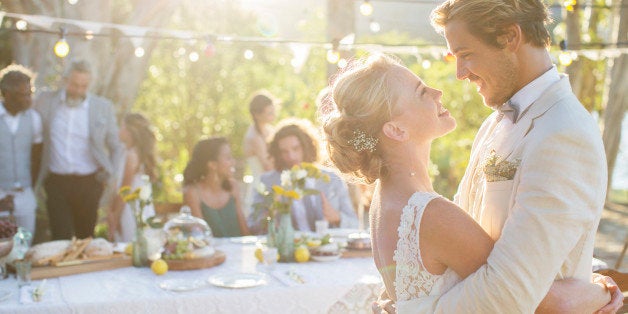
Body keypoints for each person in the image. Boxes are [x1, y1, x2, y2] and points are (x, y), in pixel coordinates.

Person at [324, 54, 619, 313]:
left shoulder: (386, 200)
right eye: (420, 91)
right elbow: (529, 297)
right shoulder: (430, 214)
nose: (437, 91)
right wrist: (604, 290)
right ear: (396, 129)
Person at [35, 59, 123, 240]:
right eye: (74, 85)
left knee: (86, 238)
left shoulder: (102, 107)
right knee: (61, 238)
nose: (78, 90)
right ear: (65, 80)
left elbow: (116, 146)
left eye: (84, 86)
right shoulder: (45, 101)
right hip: (56, 181)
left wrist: (110, 175)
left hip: (89, 183)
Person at [248, 118, 359, 234]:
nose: (291, 156)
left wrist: (337, 217)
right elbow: (252, 225)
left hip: (326, 249)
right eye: (284, 151)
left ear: (307, 146)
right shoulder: (267, 182)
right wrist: (270, 214)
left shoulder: (331, 179)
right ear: (277, 153)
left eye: (296, 148)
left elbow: (355, 225)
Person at [0, 64, 42, 240]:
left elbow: (37, 157)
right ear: (7, 94)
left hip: (25, 194)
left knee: (25, 246)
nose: (28, 99)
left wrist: (29, 185)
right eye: (23, 95)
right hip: (1, 191)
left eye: (29, 93)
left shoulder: (34, 119)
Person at [183, 137, 250, 238]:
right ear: (212, 165)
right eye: (228, 158)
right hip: (212, 252)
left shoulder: (233, 187)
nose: (233, 162)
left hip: (237, 249)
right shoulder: (193, 193)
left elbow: (244, 231)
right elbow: (201, 237)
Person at [107, 113, 157, 242]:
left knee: (131, 245)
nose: (119, 130)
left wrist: (115, 217)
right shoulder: (125, 152)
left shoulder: (132, 155)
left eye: (122, 126)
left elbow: (125, 190)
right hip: (129, 206)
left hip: (131, 210)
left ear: (130, 131)